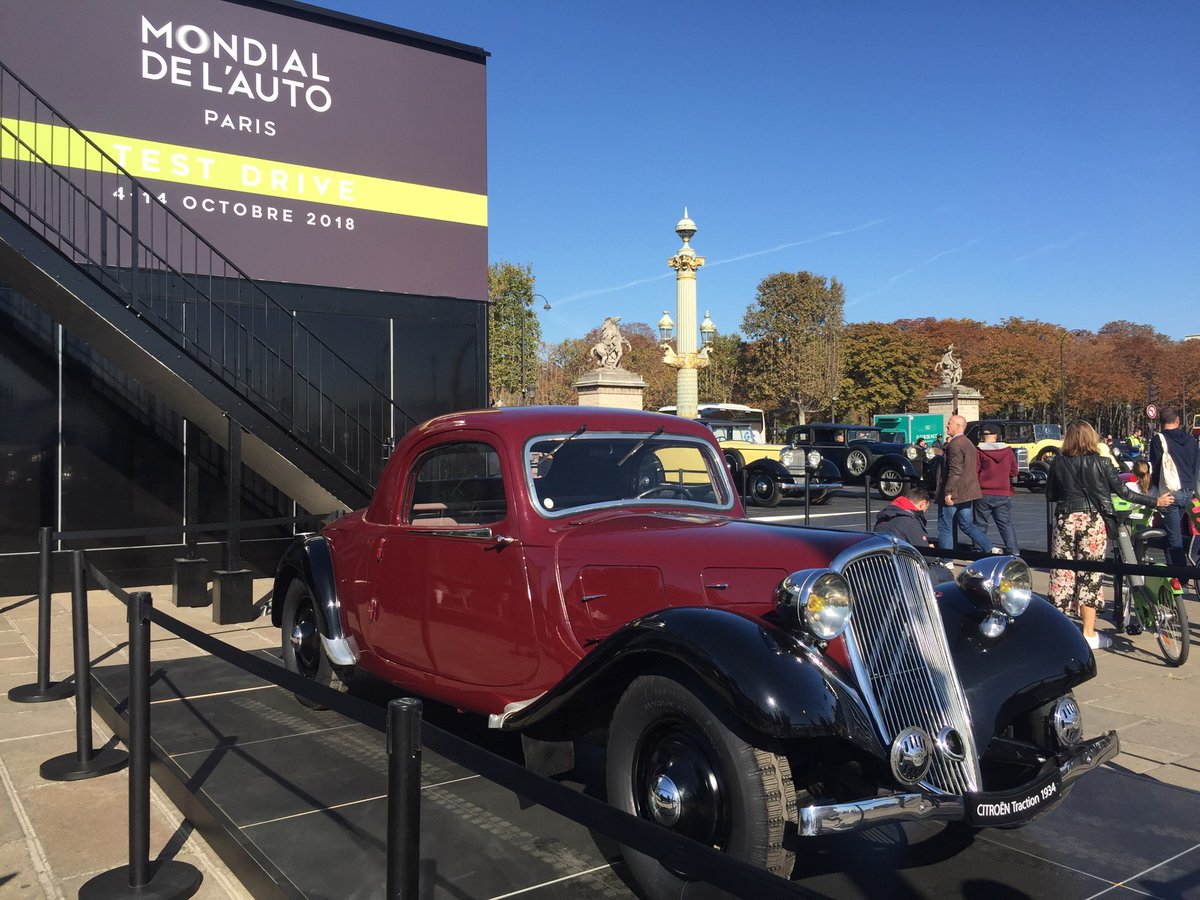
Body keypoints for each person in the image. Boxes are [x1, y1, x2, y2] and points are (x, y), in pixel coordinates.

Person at [1047, 420, 1173, 649]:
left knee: (1062, 573)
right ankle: (1088, 632)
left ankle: (1060, 631)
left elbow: (1051, 495)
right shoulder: (1102, 463)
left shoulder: (1058, 462)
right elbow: (1124, 492)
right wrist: (1155, 501)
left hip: (1066, 519)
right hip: (1093, 521)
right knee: (1091, 574)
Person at [936, 414, 997, 558]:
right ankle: (989, 547)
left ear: (958, 426)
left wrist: (948, 492)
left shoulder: (955, 445)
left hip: (954, 492)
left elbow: (955, 471)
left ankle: (946, 559)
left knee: (945, 526)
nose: (947, 426)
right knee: (966, 524)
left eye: (949, 423)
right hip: (967, 491)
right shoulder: (968, 443)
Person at [1148, 407, 1200, 578]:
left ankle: (1180, 577)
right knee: (1179, 532)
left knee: (1173, 536)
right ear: (1178, 420)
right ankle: (1180, 572)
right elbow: (1195, 466)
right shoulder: (1191, 440)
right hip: (1187, 491)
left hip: (1169, 493)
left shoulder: (1158, 439)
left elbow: (1155, 468)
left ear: (1160, 422)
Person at [875, 486, 955, 583]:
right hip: (903, 570)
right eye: (926, 509)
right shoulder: (910, 520)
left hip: (880, 567)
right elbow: (928, 558)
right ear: (922, 504)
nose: (925, 512)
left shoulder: (886, 515)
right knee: (946, 574)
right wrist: (929, 549)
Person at [975, 426, 1020, 556]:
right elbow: (1014, 471)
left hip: (983, 493)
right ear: (996, 436)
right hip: (1003, 492)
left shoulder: (979, 451)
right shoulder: (1008, 451)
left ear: (983, 436)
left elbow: (975, 471)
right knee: (1005, 524)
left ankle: (979, 551)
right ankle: (1013, 551)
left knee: (980, 525)